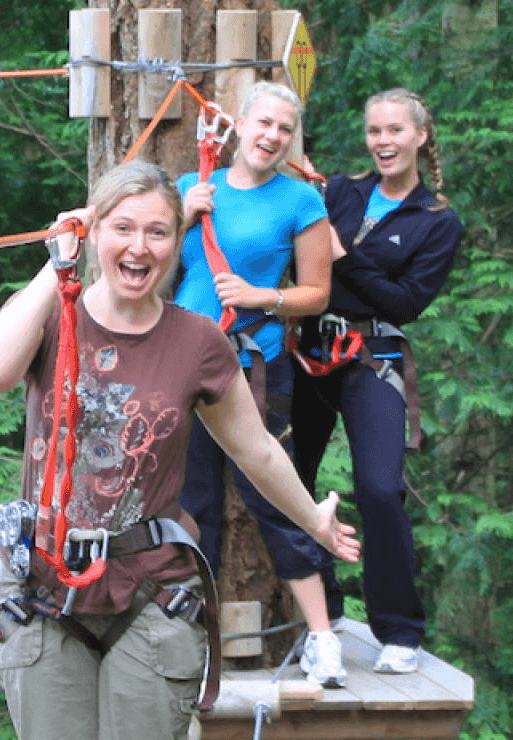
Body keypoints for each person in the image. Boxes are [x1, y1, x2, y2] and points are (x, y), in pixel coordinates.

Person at [0, 161, 358, 740]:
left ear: (177, 242)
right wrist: (59, 267)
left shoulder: (196, 343)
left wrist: (313, 522)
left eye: (158, 230)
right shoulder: (57, 313)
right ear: (96, 232)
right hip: (46, 592)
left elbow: (254, 449)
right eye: (122, 228)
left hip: (151, 595)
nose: (140, 247)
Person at [171, 82, 348, 687]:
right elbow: (148, 270)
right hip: (181, 362)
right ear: (239, 125)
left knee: (277, 496)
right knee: (193, 507)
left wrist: (261, 297)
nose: (272, 137)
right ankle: (193, 641)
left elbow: (316, 292)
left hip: (252, 365)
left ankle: (324, 638)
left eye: (283, 130)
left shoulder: (301, 202)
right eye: (264, 123)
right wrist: (183, 217)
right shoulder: (192, 191)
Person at [291, 88, 463, 674]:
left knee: (380, 488)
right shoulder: (340, 191)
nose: (383, 142)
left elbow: (405, 302)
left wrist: (341, 256)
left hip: (371, 355)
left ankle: (400, 630)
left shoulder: (435, 222)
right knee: (292, 479)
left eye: (395, 131)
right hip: (308, 349)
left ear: (419, 137)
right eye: (374, 132)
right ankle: (326, 611)